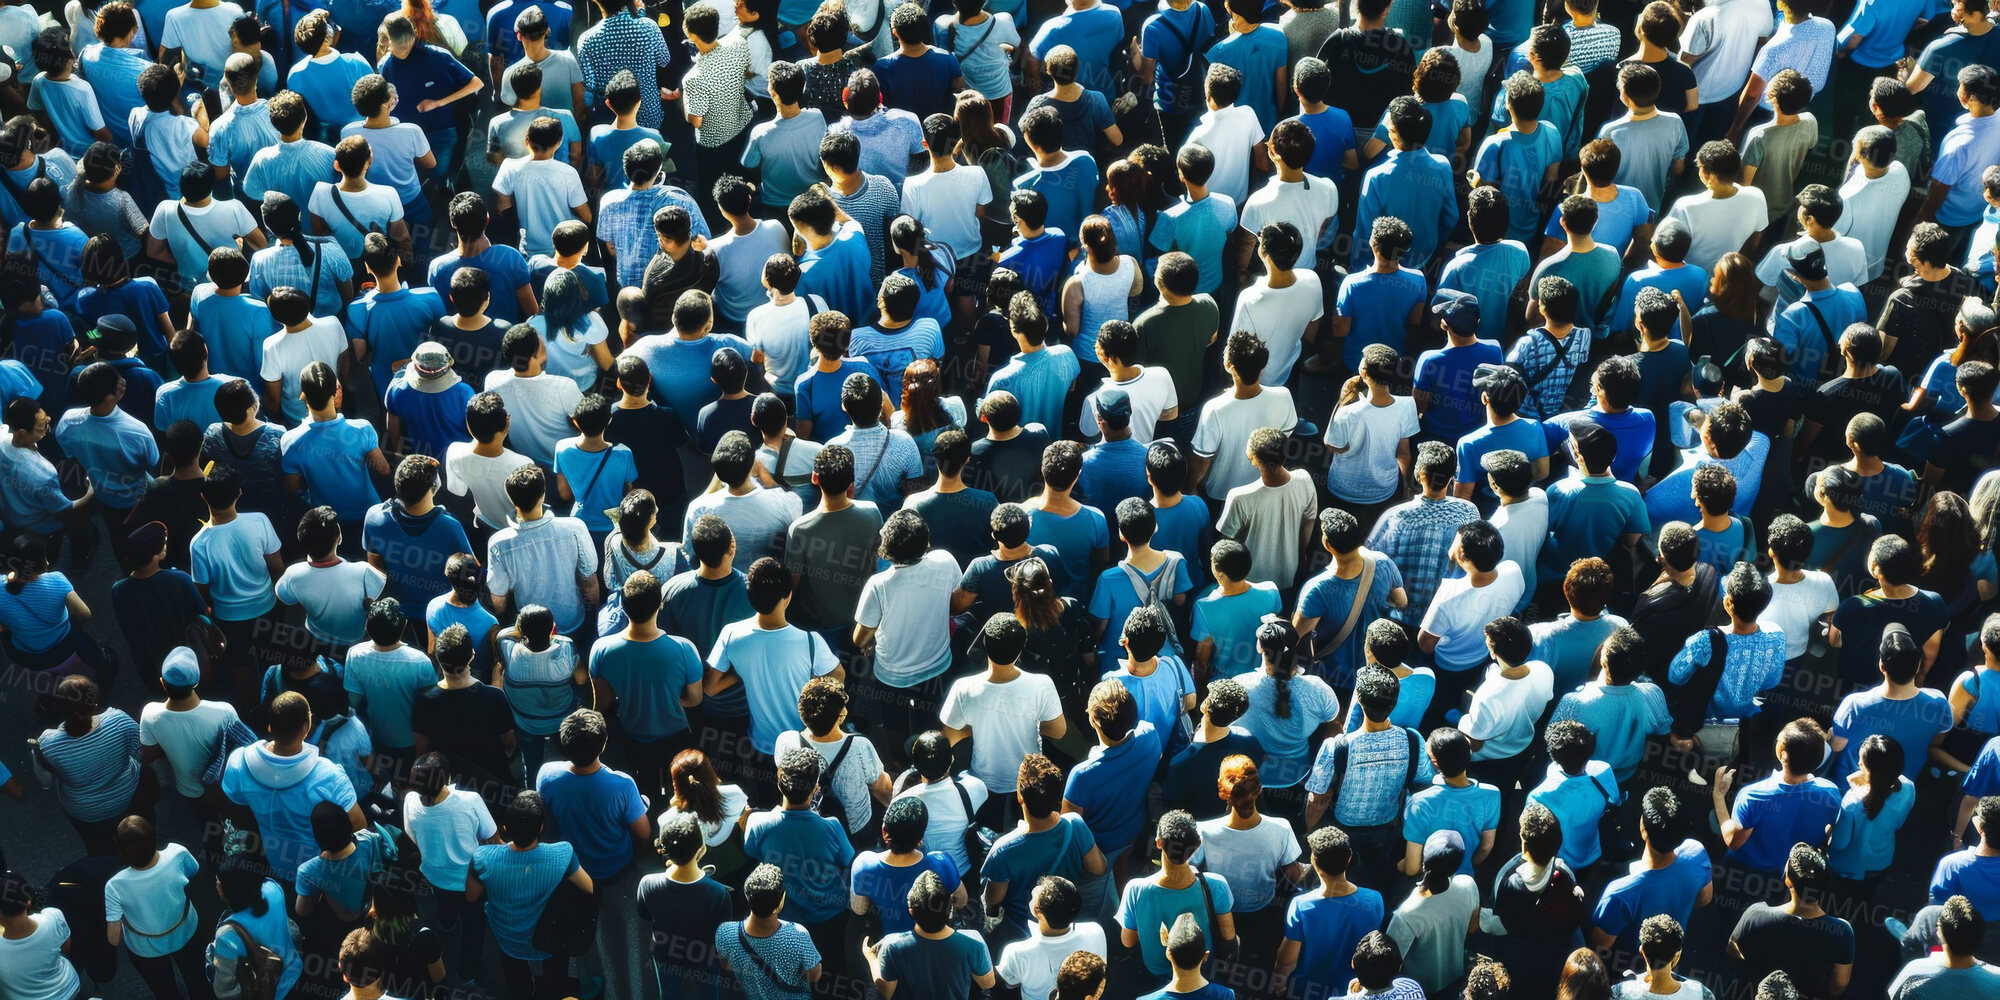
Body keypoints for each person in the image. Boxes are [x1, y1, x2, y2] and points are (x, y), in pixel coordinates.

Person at [467, 789, 594, 1000]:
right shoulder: (562, 853)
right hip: (548, 936)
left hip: (506, 938)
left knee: (516, 980)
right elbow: (588, 888)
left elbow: (471, 897)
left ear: (505, 828)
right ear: (541, 828)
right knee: (556, 979)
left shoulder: (483, 857)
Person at [1728, 844, 1855, 999]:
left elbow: (1732, 949)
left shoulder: (1756, 915)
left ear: (1788, 881)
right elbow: (1839, 984)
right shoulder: (1842, 932)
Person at [1385, 830, 1479, 996]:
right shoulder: (1468, 885)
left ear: (1424, 863)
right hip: (1456, 981)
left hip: (1419, 991)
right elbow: (1472, 929)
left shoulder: (1406, 913)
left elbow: (1389, 964)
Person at [714, 863, 823, 999]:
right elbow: (814, 975)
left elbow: (726, 966)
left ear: (747, 895)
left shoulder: (725, 932)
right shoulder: (797, 935)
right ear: (780, 901)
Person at [211, 855, 304, 1000]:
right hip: (293, 969)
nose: (216, 884)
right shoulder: (273, 889)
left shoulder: (228, 935)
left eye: (218, 882)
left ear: (225, 892)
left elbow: (224, 991)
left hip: (269, 992)